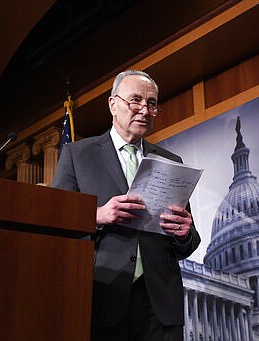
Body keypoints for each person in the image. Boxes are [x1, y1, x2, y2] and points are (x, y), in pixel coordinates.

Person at [52, 70, 201, 341]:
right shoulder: (77, 155)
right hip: (102, 297)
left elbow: (188, 243)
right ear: (113, 104)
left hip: (160, 304)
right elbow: (55, 222)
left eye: (152, 103)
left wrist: (185, 233)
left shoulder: (170, 161)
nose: (144, 109)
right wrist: (96, 215)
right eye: (135, 100)